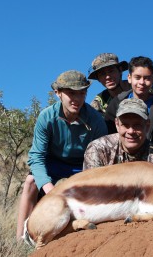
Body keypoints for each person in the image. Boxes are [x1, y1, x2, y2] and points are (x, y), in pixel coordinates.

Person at [16, 70, 108, 240]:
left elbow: (101, 157)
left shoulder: (96, 120)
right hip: (54, 163)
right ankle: (20, 237)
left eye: (82, 93)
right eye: (71, 93)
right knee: (30, 182)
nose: (77, 99)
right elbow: (36, 156)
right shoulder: (47, 117)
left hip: (82, 167)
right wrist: (49, 188)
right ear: (58, 93)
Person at [84, 98, 153, 202]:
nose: (131, 131)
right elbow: (89, 189)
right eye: (125, 125)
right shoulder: (98, 148)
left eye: (137, 125)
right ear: (117, 125)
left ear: (147, 126)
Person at [104, 56, 153, 148]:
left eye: (147, 78)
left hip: (150, 156)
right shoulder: (116, 103)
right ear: (129, 78)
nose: (142, 82)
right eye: (137, 77)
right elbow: (108, 137)